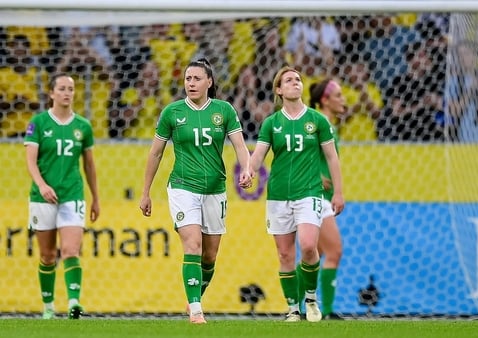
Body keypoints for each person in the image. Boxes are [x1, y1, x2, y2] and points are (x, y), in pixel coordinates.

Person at [139, 58, 253, 325]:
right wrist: (145, 192)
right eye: (188, 79)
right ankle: (196, 309)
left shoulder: (223, 111)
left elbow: (239, 145)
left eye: (196, 78)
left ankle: (193, 298)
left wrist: (246, 169)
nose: (190, 83)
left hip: (215, 189)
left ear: (209, 82)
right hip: (182, 186)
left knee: (210, 256)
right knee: (192, 244)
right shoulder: (172, 112)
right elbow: (156, 153)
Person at [250, 66, 345, 322]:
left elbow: (332, 158)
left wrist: (338, 192)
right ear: (279, 90)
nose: (295, 82)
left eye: (298, 79)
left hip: (310, 193)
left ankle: (312, 298)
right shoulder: (271, 123)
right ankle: (293, 309)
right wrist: (249, 171)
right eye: (289, 80)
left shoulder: (318, 121)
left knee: (309, 246)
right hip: (279, 194)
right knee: (285, 255)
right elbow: (258, 155)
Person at [24, 73, 100, 320]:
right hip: (42, 197)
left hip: (72, 195)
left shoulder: (83, 127)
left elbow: (89, 165)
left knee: (70, 250)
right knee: (47, 256)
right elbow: (30, 161)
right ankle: (48, 307)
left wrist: (96, 198)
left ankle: (74, 303)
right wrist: (42, 185)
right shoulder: (38, 123)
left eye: (71, 89)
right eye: (62, 88)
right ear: (52, 93)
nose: (67, 93)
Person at [294, 78, 346, 320]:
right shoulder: (316, 121)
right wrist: (315, 175)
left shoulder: (326, 124)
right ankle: (325, 311)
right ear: (325, 99)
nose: (343, 100)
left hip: (319, 195)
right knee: (333, 250)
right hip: (313, 195)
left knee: (316, 252)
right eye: (338, 95)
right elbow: (297, 152)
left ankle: (296, 305)